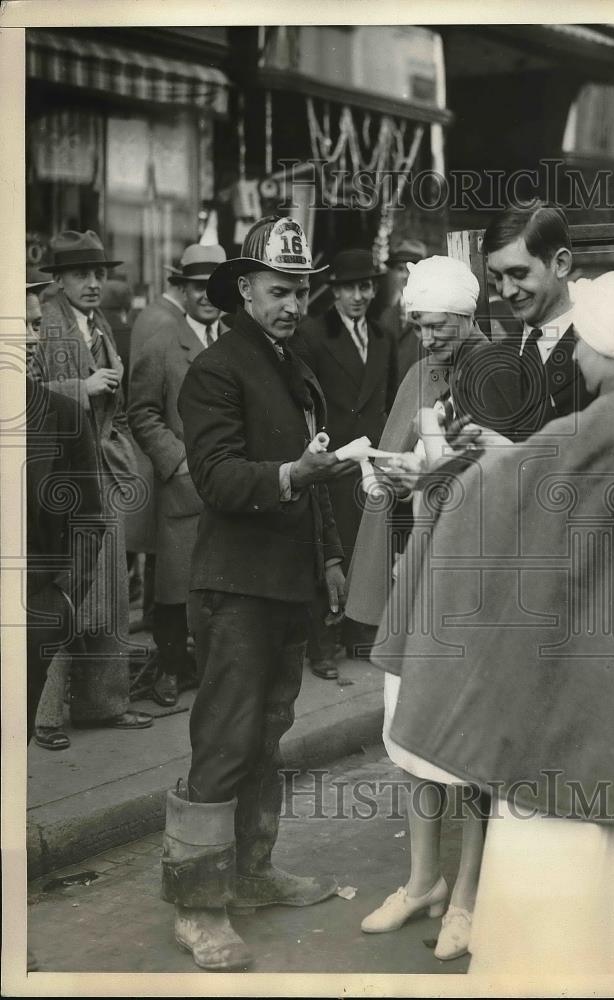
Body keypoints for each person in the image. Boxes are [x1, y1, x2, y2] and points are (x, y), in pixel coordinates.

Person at [373, 269, 614, 975]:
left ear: (607, 345)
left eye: (584, 336)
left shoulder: (605, 427)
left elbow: (502, 499)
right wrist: (504, 455)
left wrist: (448, 468)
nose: (577, 351)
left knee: (556, 882)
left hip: (577, 712)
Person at [162, 216, 353, 971]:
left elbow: (316, 468)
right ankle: (198, 906)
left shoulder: (290, 363)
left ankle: (252, 871)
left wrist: (331, 557)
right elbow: (213, 477)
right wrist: (291, 477)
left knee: (268, 732)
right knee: (226, 741)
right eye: (278, 290)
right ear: (243, 289)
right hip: (235, 588)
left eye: (301, 291)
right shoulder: (218, 370)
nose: (292, 304)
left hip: (285, 584)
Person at [357, 255, 541, 962]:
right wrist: (386, 474)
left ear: (467, 318)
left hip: (479, 573)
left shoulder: (501, 370)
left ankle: (468, 893)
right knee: (407, 725)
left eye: (437, 328)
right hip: (422, 565)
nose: (428, 339)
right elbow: (399, 454)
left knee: (463, 738)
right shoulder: (421, 370)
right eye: (420, 327)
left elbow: (521, 470)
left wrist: (432, 472)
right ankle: (422, 880)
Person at [34, 230, 152, 731]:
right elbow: (23, 396)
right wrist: (80, 386)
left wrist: (123, 457)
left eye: (98, 274)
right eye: (81, 274)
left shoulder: (98, 323)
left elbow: (118, 411)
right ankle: (43, 716)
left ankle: (103, 704)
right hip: (59, 474)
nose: (93, 283)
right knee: (59, 593)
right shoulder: (42, 324)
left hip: (103, 471)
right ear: (58, 281)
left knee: (108, 594)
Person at [292, 249, 398, 678]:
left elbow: (387, 399)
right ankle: (321, 647)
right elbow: (305, 399)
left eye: (366, 286)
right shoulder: (313, 334)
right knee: (328, 548)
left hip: (369, 458)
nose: (359, 295)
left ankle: (358, 634)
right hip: (333, 455)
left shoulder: (383, 336)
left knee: (366, 545)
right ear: (333, 290)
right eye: (351, 287)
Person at [128, 244, 227, 708]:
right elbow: (142, 412)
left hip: (230, 483)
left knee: (225, 580)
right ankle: (171, 669)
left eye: (214, 287)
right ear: (182, 290)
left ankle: (214, 667)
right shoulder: (163, 344)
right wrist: (176, 460)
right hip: (183, 486)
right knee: (173, 586)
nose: (206, 296)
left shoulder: (236, 341)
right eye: (196, 287)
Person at [482, 199, 593, 437]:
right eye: (498, 278)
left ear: (561, 264)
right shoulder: (495, 357)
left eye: (518, 274)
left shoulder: (600, 353)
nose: (506, 291)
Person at [373, 237, 428, 379]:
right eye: (400, 269)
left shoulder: (433, 313)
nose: (405, 275)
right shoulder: (386, 315)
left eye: (410, 269)